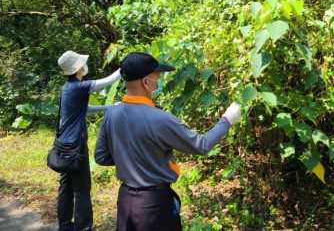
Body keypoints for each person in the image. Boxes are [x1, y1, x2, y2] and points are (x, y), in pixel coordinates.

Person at [94, 52, 241, 231]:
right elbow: (201, 146)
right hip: (153, 204)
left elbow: (101, 157)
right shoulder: (160, 119)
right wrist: (226, 120)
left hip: (125, 201)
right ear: (146, 82)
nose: (159, 82)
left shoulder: (111, 113)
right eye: (157, 78)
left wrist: (130, 159)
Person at [56, 50, 121, 231]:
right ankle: (84, 229)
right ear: (78, 68)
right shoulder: (79, 87)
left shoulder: (67, 87)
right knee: (82, 191)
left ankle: (64, 226)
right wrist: (125, 66)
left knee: (66, 187)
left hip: (63, 147)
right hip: (76, 148)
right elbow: (109, 81)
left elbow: (84, 109)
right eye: (81, 63)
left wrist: (108, 107)